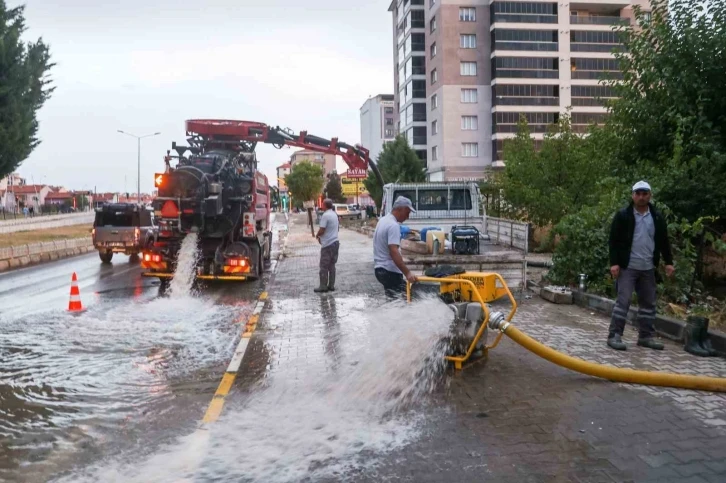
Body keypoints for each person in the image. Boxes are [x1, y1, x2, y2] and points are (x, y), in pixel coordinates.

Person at [607, 181, 674, 351]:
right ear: (632, 195)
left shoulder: (656, 217)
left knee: (649, 303)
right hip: (627, 266)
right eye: (638, 194)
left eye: (644, 194)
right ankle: (615, 335)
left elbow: (663, 241)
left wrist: (668, 262)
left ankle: (645, 336)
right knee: (624, 301)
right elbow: (613, 240)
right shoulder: (623, 215)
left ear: (649, 195)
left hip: (648, 267)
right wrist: (614, 263)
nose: (641, 197)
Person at [373, 196, 418, 298]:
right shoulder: (393, 225)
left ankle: (389, 314)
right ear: (399, 209)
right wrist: (407, 273)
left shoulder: (383, 220)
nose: (408, 216)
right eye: (407, 213)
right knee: (407, 299)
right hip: (389, 271)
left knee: (393, 301)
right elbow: (394, 251)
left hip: (379, 269)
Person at [314, 198, 340, 293]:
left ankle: (323, 286)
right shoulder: (334, 214)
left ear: (325, 205)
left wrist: (317, 235)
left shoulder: (326, 215)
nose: (322, 205)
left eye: (323, 204)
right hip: (335, 243)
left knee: (324, 266)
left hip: (327, 245)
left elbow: (322, 229)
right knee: (332, 265)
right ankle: (331, 285)